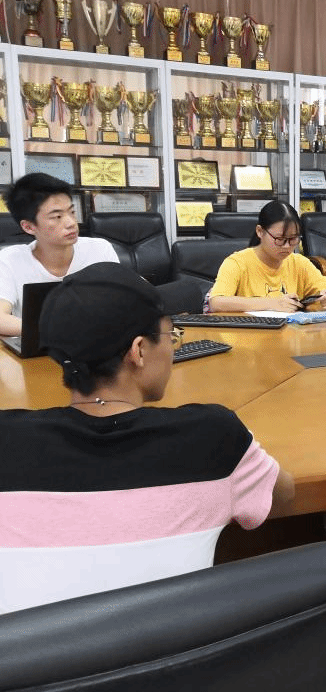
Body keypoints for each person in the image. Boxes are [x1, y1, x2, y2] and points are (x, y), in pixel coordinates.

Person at [0, 262, 294, 614]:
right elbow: (283, 495)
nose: (172, 347)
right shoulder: (213, 437)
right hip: (181, 648)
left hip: (30, 650)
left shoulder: (7, 442)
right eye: (171, 335)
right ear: (138, 350)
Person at [0, 173, 118, 337]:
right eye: (57, 216)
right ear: (28, 227)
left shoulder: (100, 249)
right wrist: (58, 330)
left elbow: (126, 300)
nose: (71, 223)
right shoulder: (10, 259)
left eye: (72, 212)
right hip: (40, 348)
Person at [208, 200, 326, 313]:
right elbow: (216, 303)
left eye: (293, 239)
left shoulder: (299, 263)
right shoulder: (237, 263)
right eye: (280, 239)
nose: (287, 246)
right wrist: (272, 303)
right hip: (249, 335)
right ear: (260, 232)